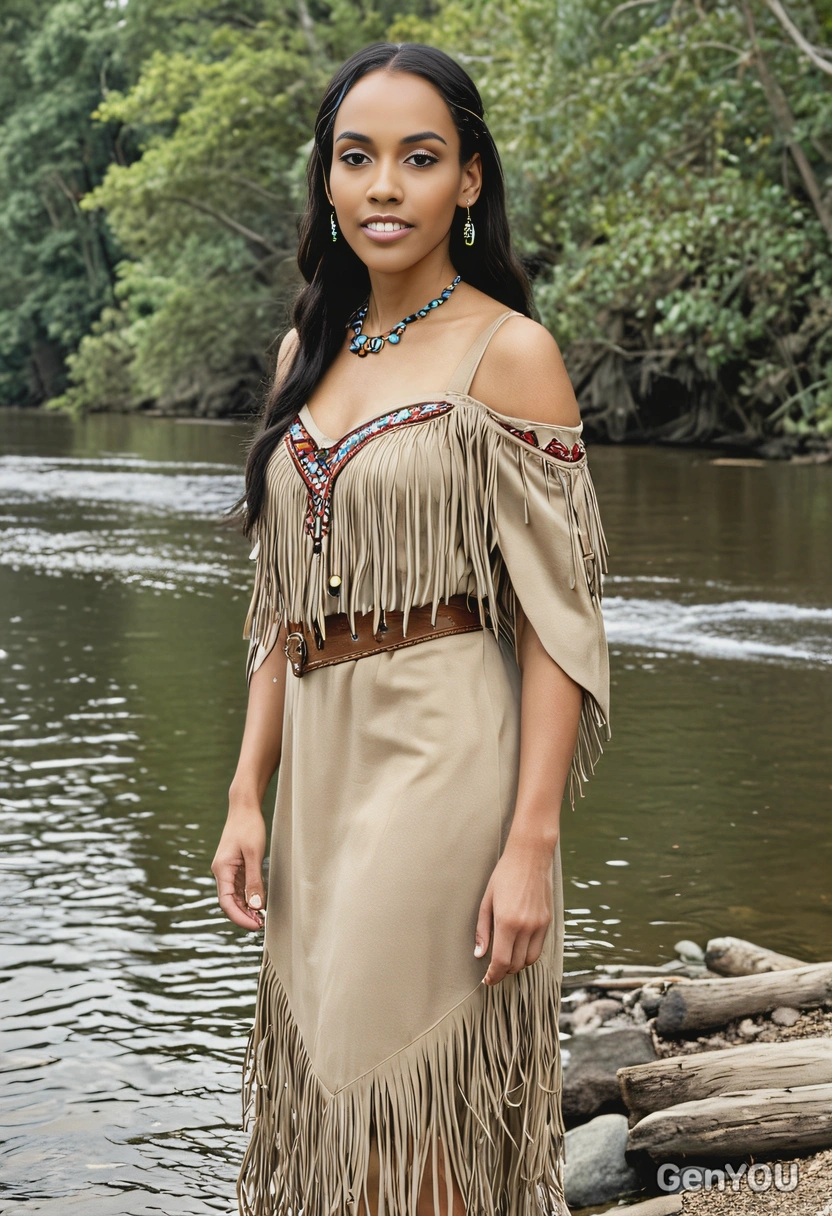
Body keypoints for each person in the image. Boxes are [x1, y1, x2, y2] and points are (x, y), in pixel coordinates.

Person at [212, 41, 611, 1216]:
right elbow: (283, 604)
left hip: (445, 753)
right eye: (357, 157)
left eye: (419, 157)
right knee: (335, 1108)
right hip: (320, 776)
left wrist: (530, 840)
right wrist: (247, 790)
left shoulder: (510, 352)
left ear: (469, 183)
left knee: (417, 1101)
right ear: (327, 185)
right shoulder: (307, 351)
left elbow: (558, 625)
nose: (385, 185)